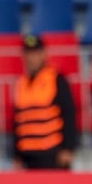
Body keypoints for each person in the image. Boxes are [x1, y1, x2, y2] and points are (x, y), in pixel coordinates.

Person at [11, 34, 78, 170]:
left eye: (35, 53)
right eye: (28, 53)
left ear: (43, 54)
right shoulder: (21, 82)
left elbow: (69, 114)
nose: (31, 58)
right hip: (27, 156)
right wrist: (16, 155)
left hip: (52, 154)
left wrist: (68, 148)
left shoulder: (56, 79)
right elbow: (18, 120)